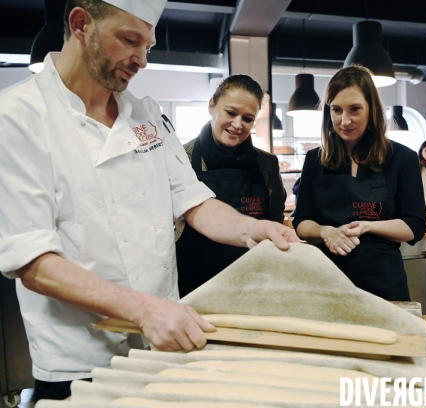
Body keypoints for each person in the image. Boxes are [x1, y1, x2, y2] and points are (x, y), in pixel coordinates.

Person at [0, 0, 298, 401]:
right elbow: (33, 261)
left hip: (161, 341)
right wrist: (143, 309)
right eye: (129, 40)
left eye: (149, 46)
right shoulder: (17, 116)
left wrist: (254, 229)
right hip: (79, 355)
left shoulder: (147, 116)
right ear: (80, 24)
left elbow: (193, 201)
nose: (141, 60)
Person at [292, 65, 426, 301]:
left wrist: (367, 226)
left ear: (372, 110)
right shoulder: (315, 160)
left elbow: (415, 225)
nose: (344, 121)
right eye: (336, 110)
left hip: (383, 282)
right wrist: (326, 231)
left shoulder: (402, 158)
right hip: (326, 282)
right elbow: (301, 221)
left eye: (355, 109)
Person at [175, 75, 287, 297]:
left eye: (248, 118)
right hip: (194, 287)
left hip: (252, 286)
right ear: (212, 105)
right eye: (231, 113)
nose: (237, 125)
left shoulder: (266, 165)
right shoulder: (181, 159)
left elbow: (275, 219)